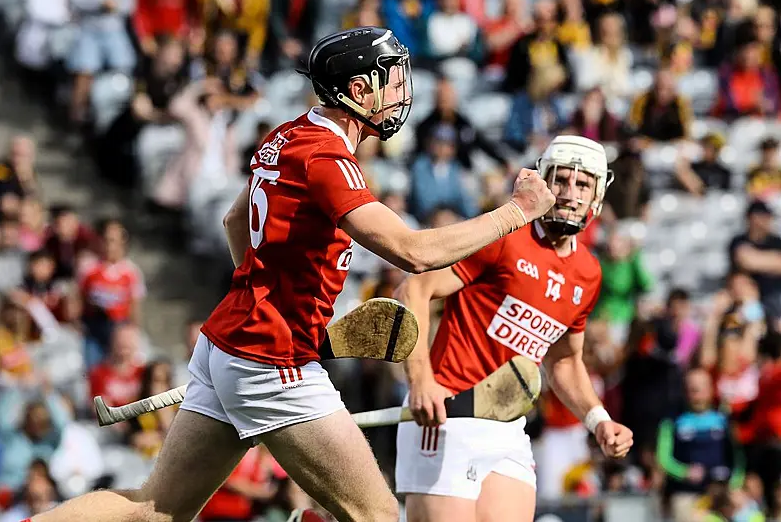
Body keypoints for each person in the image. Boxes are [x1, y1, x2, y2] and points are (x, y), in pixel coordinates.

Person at [28, 26, 555, 522]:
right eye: (390, 80)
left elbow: (236, 220)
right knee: (376, 515)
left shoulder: (288, 134)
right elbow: (412, 252)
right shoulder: (328, 160)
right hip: (272, 363)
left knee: (154, 511)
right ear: (356, 89)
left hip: (229, 344)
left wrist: (271, 299)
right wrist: (515, 213)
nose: (400, 92)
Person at [394, 135, 634, 522]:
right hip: (446, 415)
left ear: (597, 197)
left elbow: (563, 360)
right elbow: (415, 289)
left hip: (508, 426)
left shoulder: (588, 272)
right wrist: (420, 380)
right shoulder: (504, 234)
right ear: (542, 181)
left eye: (583, 184)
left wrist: (598, 420)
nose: (570, 193)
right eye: (561, 180)